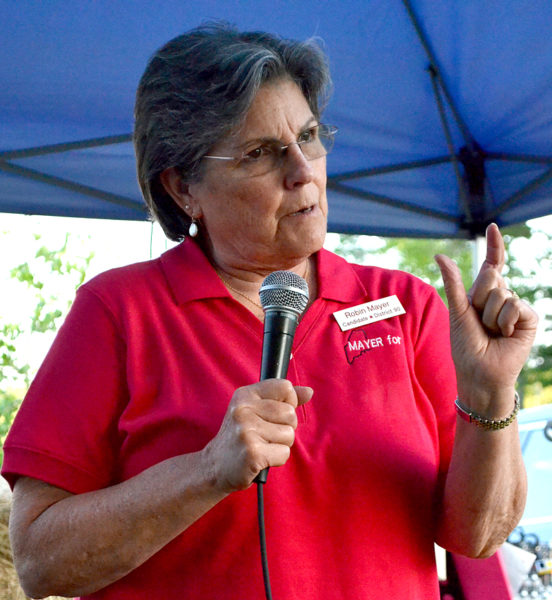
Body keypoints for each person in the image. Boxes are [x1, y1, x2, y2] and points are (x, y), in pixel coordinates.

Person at [2, 23, 537, 600]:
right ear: (184, 188)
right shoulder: (118, 312)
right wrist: (205, 471)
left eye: (309, 136)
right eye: (261, 153)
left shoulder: (405, 306)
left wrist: (489, 395)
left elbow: (478, 536)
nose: (303, 170)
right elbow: (39, 561)